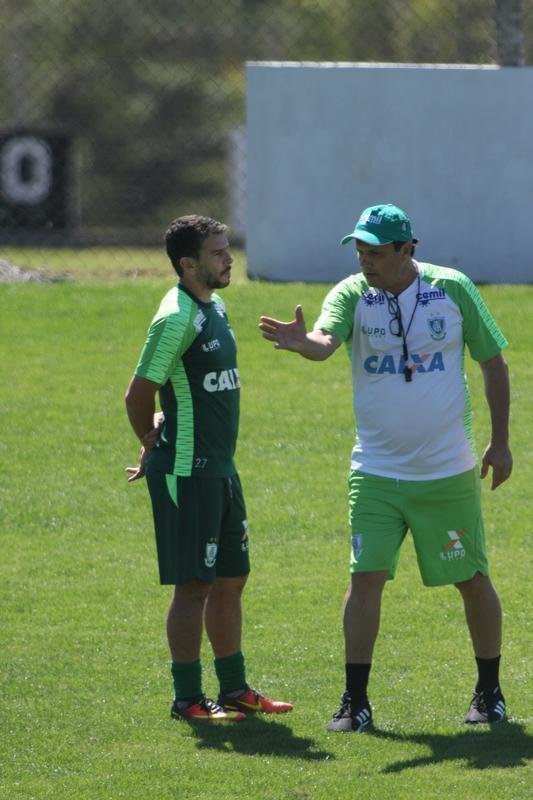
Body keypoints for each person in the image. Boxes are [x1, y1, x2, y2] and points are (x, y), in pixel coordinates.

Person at [259, 203, 512, 732]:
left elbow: (493, 361)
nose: (364, 259)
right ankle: (355, 702)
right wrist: (299, 341)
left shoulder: (454, 288)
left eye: (375, 251)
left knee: (471, 578)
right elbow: (325, 343)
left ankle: (489, 694)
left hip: (446, 472)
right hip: (374, 471)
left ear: (406, 249)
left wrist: (501, 442)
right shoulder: (352, 293)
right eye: (359, 250)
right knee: (365, 577)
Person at [125, 214, 293, 723]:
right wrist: (151, 440)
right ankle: (187, 698)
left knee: (231, 579)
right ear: (189, 264)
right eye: (219, 253)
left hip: (221, 468)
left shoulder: (213, 305)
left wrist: (164, 417)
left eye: (227, 249)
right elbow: (138, 393)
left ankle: (236, 688)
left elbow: (180, 389)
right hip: (188, 472)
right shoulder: (176, 318)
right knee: (194, 585)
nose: (229, 259)